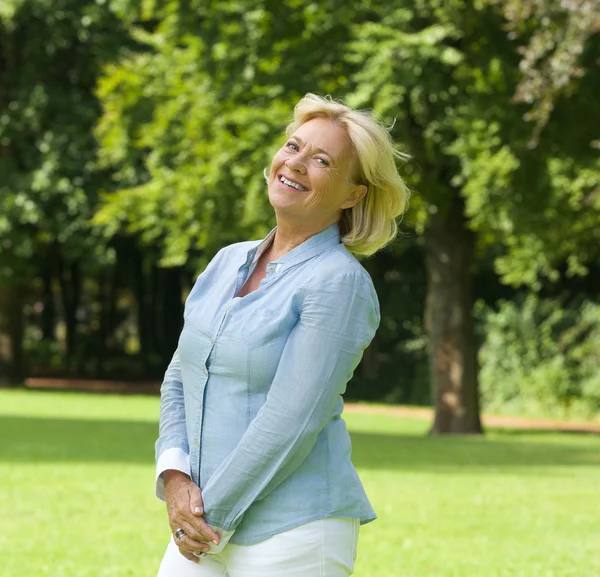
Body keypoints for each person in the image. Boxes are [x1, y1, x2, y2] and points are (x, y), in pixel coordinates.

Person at [155, 93, 409, 577]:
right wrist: (173, 475)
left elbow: (291, 420)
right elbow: (179, 378)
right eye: (293, 146)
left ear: (354, 194)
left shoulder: (339, 283)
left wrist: (210, 518)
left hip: (295, 533)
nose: (295, 163)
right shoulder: (227, 260)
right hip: (202, 524)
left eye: (322, 160)